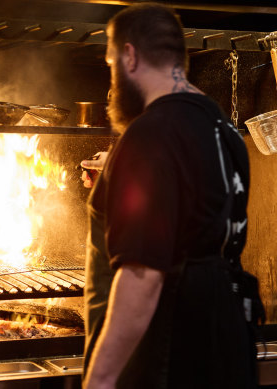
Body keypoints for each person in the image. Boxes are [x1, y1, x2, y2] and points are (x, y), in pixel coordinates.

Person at [81, 3, 259, 389]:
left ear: (129, 56)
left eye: (111, 63)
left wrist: (101, 380)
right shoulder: (222, 130)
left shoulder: (149, 134)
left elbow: (142, 276)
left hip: (169, 354)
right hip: (223, 349)